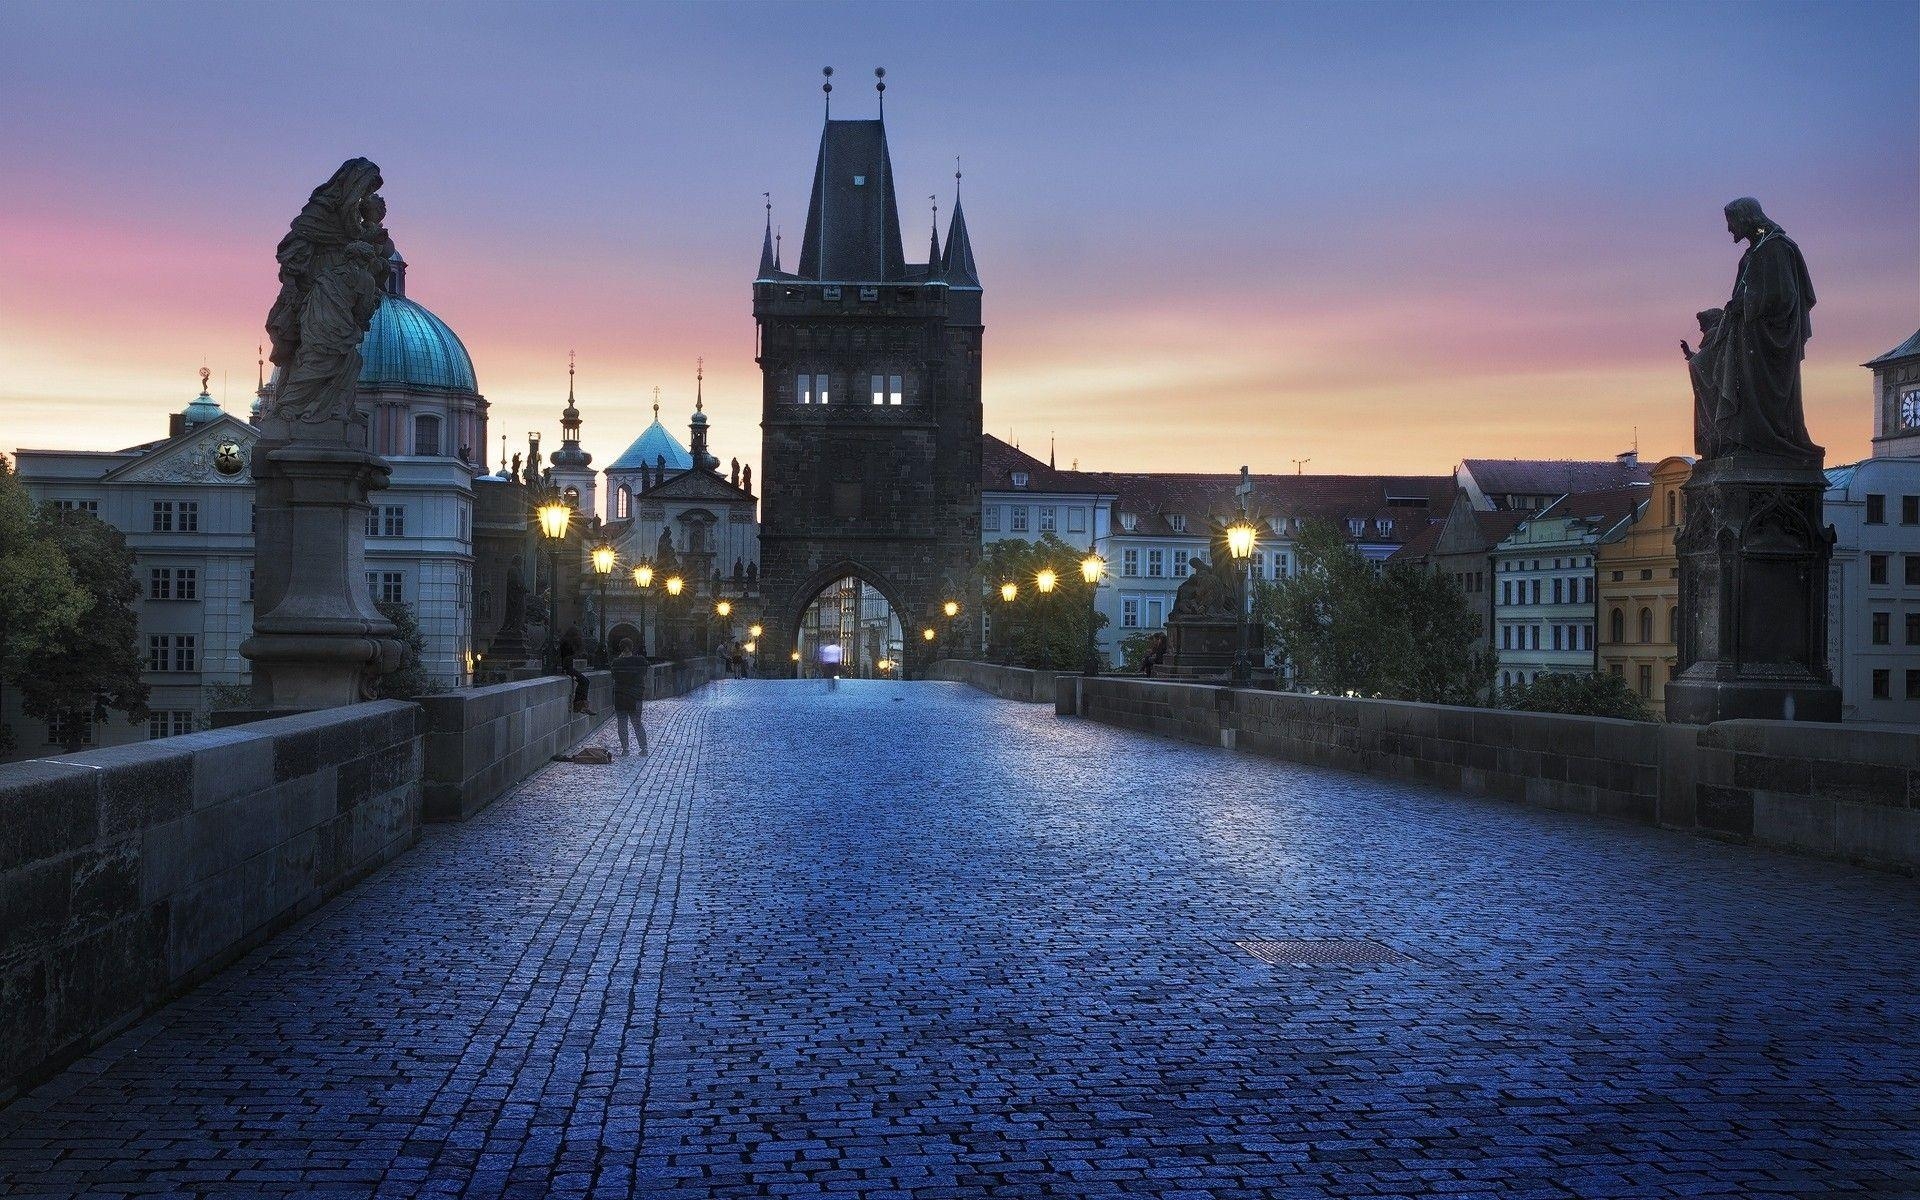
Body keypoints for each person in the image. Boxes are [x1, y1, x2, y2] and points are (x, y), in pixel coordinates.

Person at [608, 637, 649, 756]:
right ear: (632, 647)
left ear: (620, 648)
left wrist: (621, 658)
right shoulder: (640, 661)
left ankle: (625, 749)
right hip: (635, 697)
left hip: (620, 696)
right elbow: (644, 673)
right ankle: (644, 748)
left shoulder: (616, 663)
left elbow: (614, 676)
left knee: (622, 722)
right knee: (637, 723)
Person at [558, 625, 591, 714]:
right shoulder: (567, 643)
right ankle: (579, 705)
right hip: (567, 669)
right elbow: (565, 659)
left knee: (584, 681)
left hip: (568, 668)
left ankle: (581, 705)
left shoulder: (566, 641)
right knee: (585, 681)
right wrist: (577, 655)